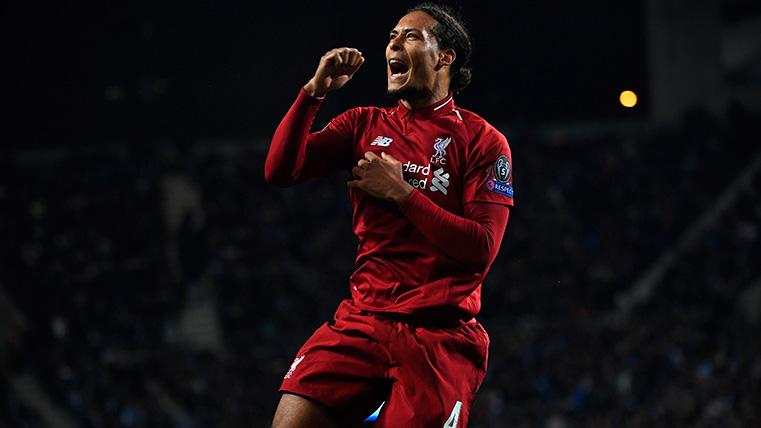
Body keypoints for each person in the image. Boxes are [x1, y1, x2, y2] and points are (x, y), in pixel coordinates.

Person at [264, 3, 514, 427]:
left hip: (439, 336)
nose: (394, 44)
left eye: (411, 36)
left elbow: (481, 249)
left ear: (445, 56)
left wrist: (402, 193)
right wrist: (314, 92)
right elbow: (280, 171)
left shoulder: (482, 141)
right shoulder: (363, 125)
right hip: (363, 319)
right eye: (392, 36)